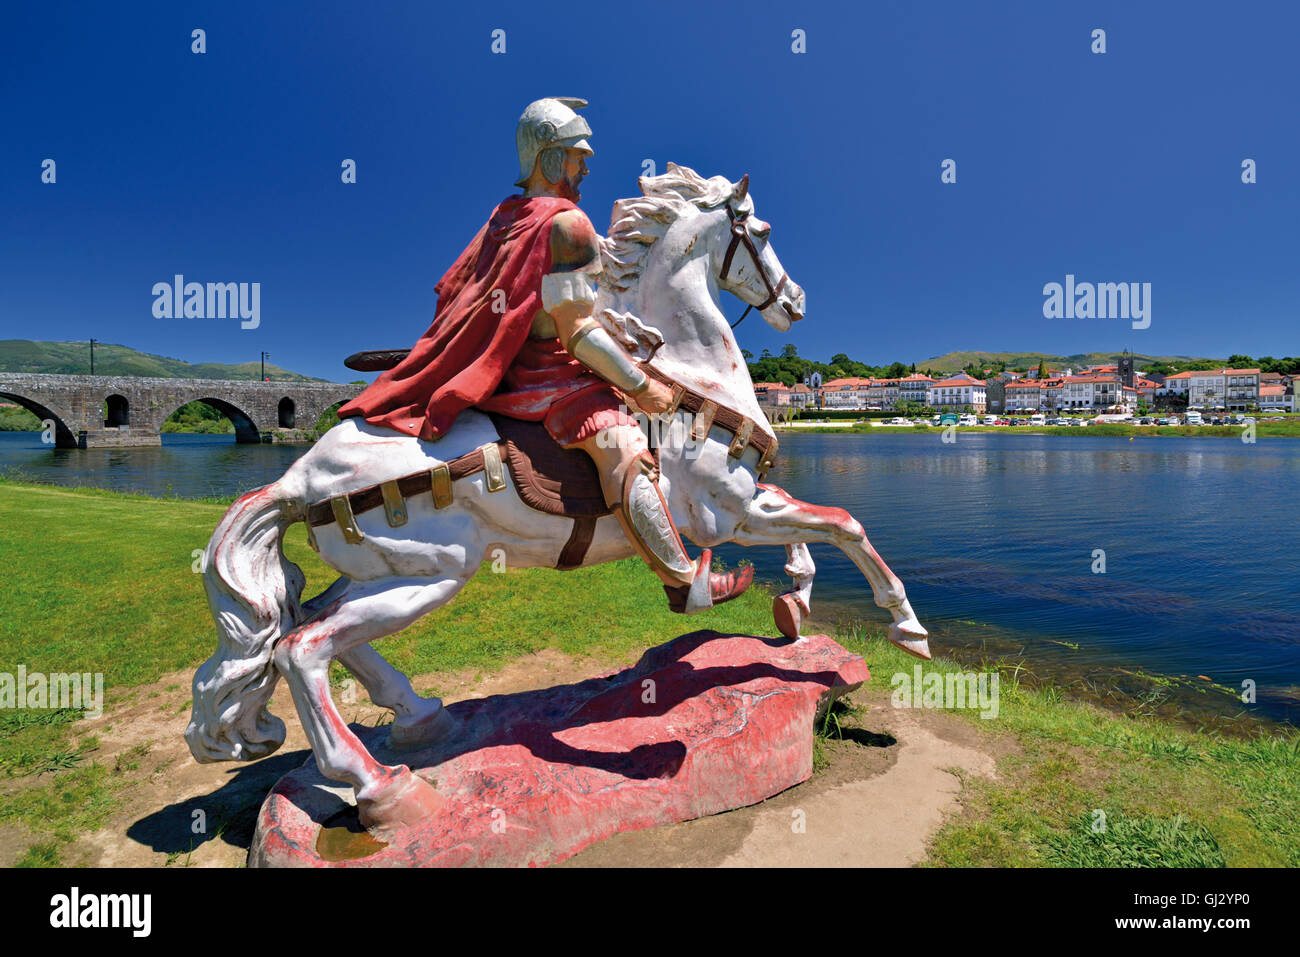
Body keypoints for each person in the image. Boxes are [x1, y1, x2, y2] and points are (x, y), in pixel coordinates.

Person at [338, 97, 751, 614]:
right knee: (624, 450)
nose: (586, 169)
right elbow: (575, 331)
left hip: (509, 369)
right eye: (579, 157)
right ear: (551, 157)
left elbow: (462, 295)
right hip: (552, 379)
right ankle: (683, 582)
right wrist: (642, 386)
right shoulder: (568, 226)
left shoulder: (503, 218)